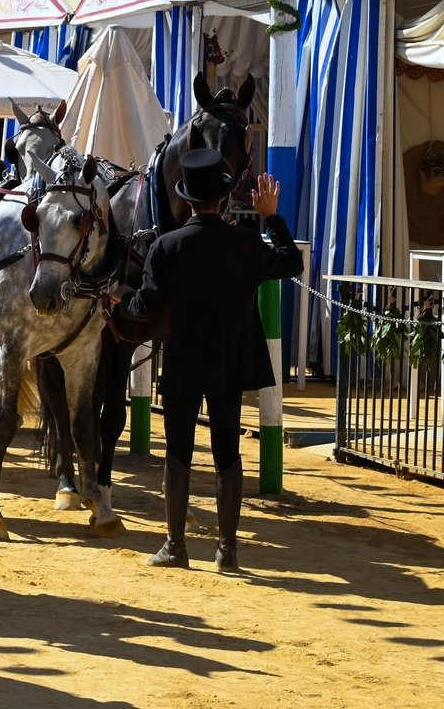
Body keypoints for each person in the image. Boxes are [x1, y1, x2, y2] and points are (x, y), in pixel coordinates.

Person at [114, 150, 303, 573]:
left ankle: (175, 546)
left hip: (184, 360)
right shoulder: (247, 242)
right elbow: (293, 262)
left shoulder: (166, 247)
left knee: (178, 453)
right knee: (227, 455)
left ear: (188, 199)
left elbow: (144, 307)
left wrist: (121, 297)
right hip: (230, 361)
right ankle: (226, 551)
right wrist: (271, 216)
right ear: (223, 199)